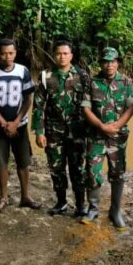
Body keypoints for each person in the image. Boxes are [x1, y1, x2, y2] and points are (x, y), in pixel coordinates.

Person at [32, 40, 92, 217]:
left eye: (66, 53)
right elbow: (38, 106)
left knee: (77, 169)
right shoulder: (46, 76)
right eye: (59, 53)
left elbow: (90, 104)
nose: (62, 57)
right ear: (54, 55)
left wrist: (91, 131)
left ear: (71, 56)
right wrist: (40, 131)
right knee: (56, 169)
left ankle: (81, 204)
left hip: (77, 132)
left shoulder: (82, 76)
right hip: (53, 132)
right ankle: (61, 201)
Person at [82, 47, 133, 228]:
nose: (109, 65)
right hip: (96, 136)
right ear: (100, 64)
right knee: (92, 171)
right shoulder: (92, 82)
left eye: (113, 61)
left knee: (117, 173)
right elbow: (85, 108)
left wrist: (116, 126)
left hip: (117, 137)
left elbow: (131, 108)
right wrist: (101, 126)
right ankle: (93, 209)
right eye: (106, 61)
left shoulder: (126, 82)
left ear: (117, 63)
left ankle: (115, 211)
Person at [0, 38, 38, 210]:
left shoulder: (23, 71)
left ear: (15, 53)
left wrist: (15, 122)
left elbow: (28, 98)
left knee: (23, 161)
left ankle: (25, 196)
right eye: (3, 53)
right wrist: (3, 123)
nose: (7, 57)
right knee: (1, 162)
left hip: (20, 125)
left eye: (11, 53)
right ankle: (4, 197)